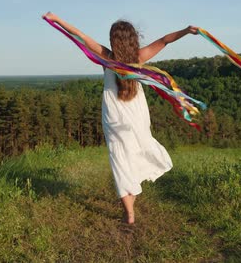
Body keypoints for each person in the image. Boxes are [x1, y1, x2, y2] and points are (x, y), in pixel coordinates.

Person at [43, 12, 198, 224]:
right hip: (137, 112)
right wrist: (186, 31)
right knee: (135, 153)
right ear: (133, 39)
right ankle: (131, 205)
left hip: (114, 113)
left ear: (113, 40)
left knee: (120, 158)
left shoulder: (106, 57)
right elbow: (164, 41)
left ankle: (130, 213)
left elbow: (80, 35)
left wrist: (57, 19)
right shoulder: (139, 58)